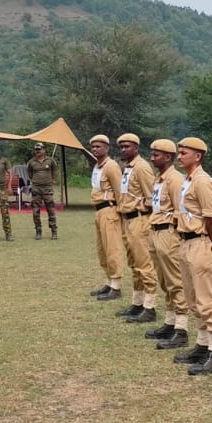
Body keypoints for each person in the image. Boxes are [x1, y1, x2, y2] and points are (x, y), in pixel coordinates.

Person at [173, 138, 212, 374]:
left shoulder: (203, 181)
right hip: (185, 242)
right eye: (179, 152)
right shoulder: (187, 180)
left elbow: (211, 219)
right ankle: (202, 345)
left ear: (198, 156)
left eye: (184, 153)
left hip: (201, 243)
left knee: (207, 299)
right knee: (193, 298)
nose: (179, 156)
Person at [144, 140, 191, 350]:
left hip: (169, 233)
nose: (153, 158)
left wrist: (174, 232)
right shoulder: (159, 178)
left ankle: (181, 329)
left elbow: (181, 210)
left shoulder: (175, 179)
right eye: (152, 155)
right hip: (155, 231)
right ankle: (170, 322)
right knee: (164, 280)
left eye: (157, 155)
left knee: (175, 281)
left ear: (168, 157)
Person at [114, 133, 159, 324]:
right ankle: (138, 302)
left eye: (127, 146)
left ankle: (150, 307)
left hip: (140, 220)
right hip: (127, 220)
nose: (124, 149)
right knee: (134, 264)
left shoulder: (141, 168)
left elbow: (151, 197)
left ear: (137, 148)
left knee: (144, 264)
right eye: (122, 146)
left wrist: (144, 218)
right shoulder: (128, 168)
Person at [87, 135, 124, 301]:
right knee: (102, 249)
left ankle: (116, 286)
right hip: (99, 210)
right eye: (93, 146)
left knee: (112, 248)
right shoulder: (97, 166)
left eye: (98, 146)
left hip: (109, 209)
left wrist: (120, 212)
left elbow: (119, 190)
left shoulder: (111, 166)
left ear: (107, 148)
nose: (95, 149)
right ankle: (109, 282)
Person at [25, 142, 58, 240]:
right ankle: (38, 232)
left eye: (39, 149)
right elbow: (30, 174)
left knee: (51, 210)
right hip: (36, 189)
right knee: (36, 212)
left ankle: (54, 231)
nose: (38, 151)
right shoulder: (31, 162)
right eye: (36, 150)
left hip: (47, 189)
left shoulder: (50, 161)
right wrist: (35, 181)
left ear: (44, 150)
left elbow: (54, 171)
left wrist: (52, 180)